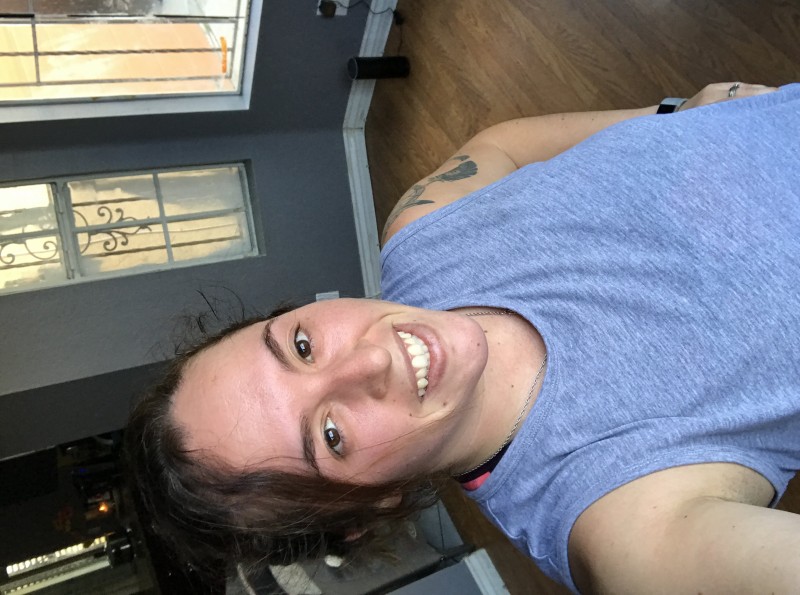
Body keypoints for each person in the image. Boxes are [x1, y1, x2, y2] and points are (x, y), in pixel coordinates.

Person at [126, 82, 800, 594]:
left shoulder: (423, 233)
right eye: (330, 435)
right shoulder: (619, 522)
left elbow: (498, 145)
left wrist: (677, 111)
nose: (369, 358)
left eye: (301, 346)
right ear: (371, 505)